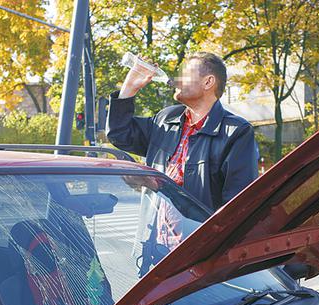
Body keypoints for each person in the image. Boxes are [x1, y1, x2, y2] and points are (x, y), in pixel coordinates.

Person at [107, 52, 259, 212]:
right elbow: (119, 134)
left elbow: (237, 206)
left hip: (200, 235)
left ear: (208, 82)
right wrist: (129, 87)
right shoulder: (165, 119)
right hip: (156, 235)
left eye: (185, 75)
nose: (176, 81)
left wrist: (157, 185)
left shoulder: (236, 132)